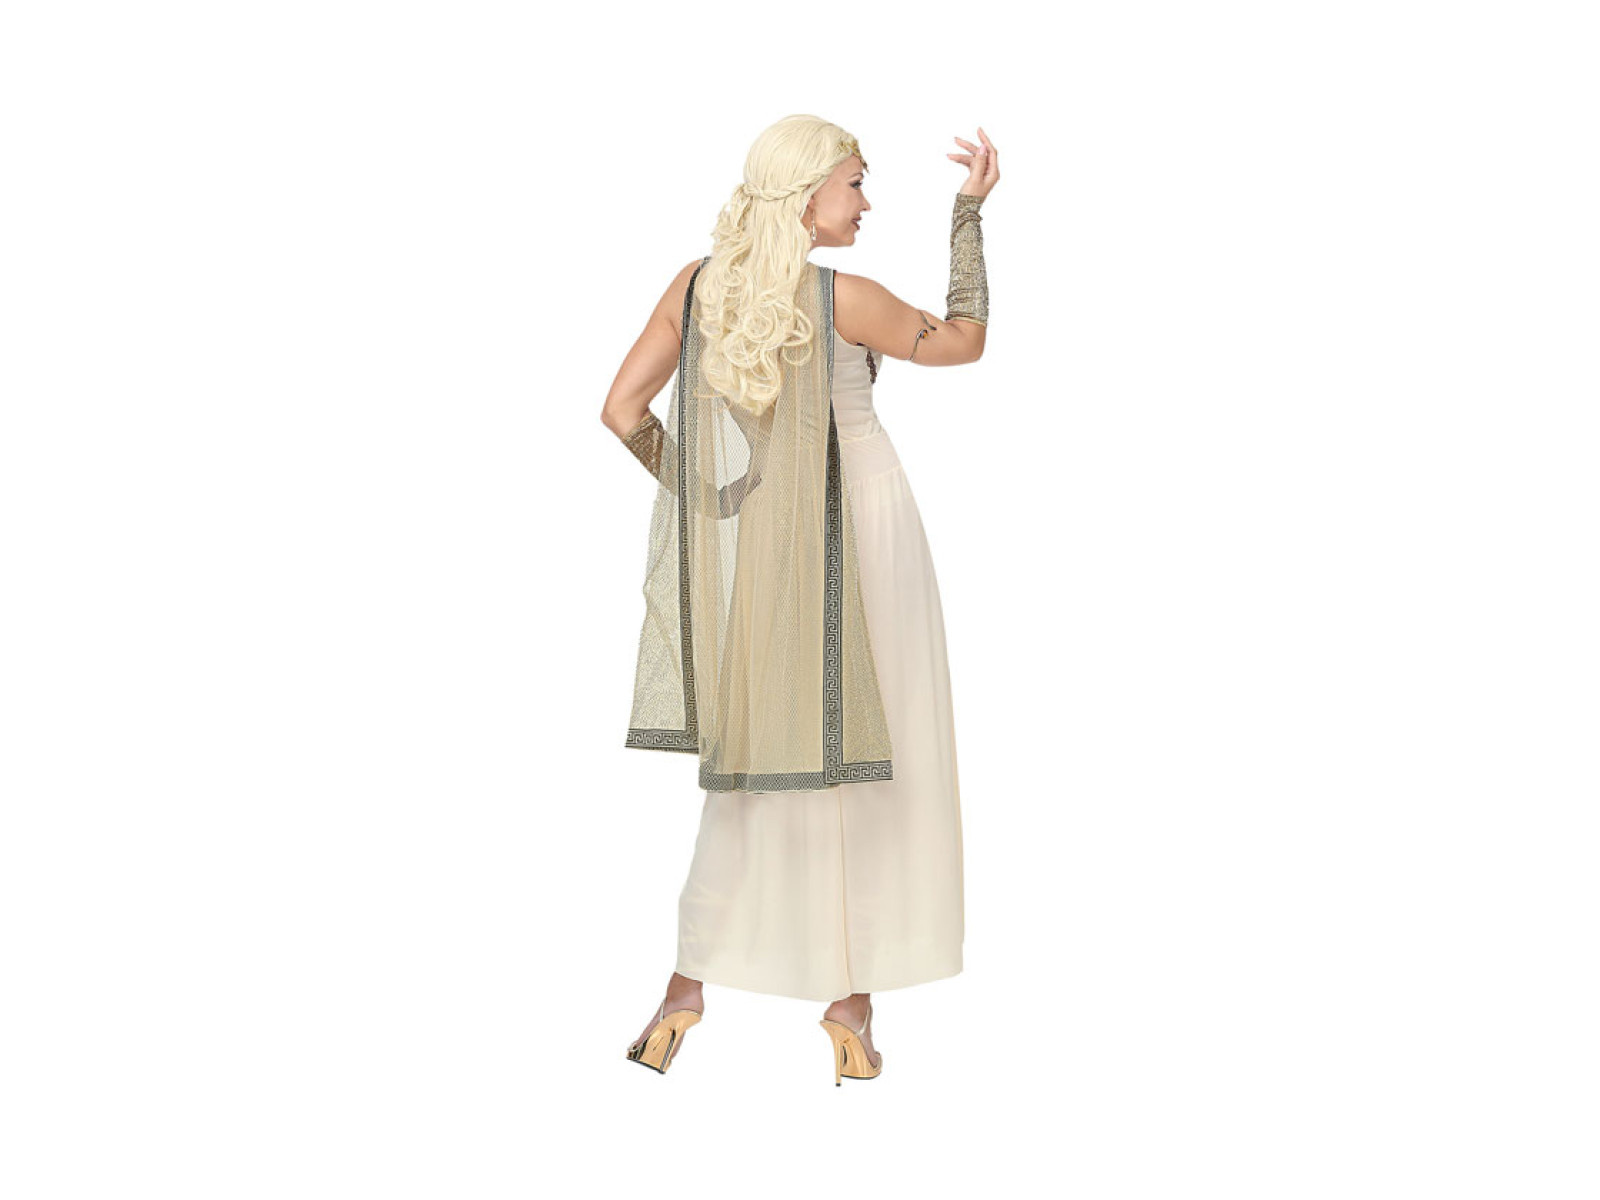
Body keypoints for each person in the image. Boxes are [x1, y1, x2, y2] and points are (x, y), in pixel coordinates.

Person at [600, 115, 998, 1083]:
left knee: (763, 765)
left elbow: (620, 410)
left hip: (772, 545)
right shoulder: (844, 298)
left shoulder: (694, 288)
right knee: (876, 761)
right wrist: (970, 216)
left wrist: (711, 497)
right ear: (806, 192)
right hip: (868, 529)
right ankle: (850, 1008)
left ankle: (682, 996)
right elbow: (964, 344)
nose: (866, 203)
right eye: (855, 183)